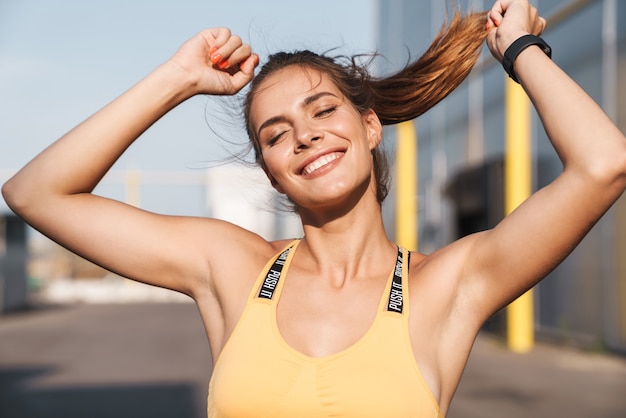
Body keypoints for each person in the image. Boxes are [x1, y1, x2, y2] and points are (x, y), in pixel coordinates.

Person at [3, 0, 626, 416]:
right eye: (275, 135)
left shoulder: (449, 285)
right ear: (272, 173)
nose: (303, 136)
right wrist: (177, 79)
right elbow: (35, 193)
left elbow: (604, 164)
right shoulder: (233, 269)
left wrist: (517, 50)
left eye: (323, 111)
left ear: (370, 127)